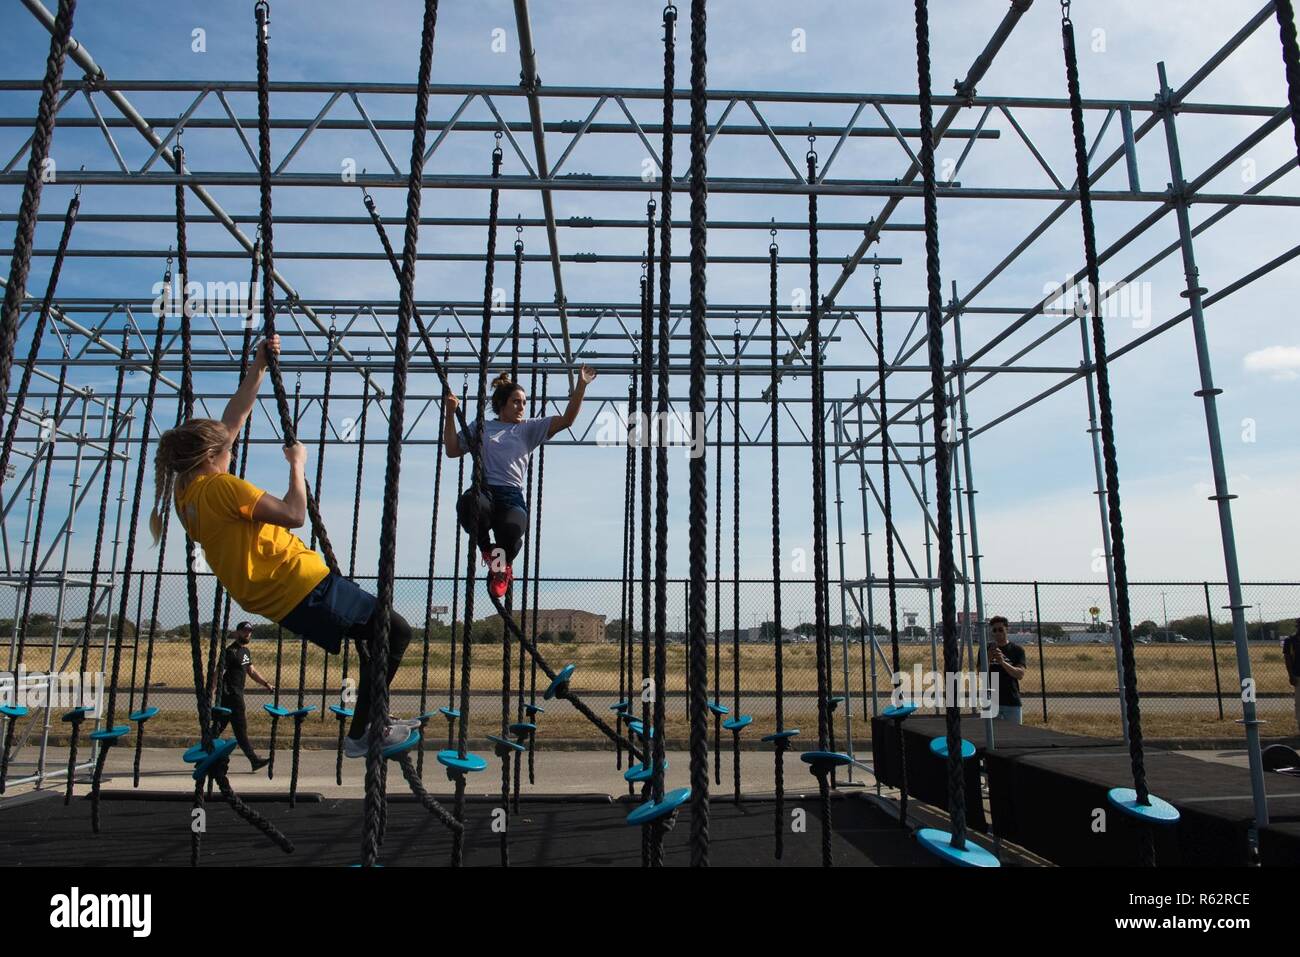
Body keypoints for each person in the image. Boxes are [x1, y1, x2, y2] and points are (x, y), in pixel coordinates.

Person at [150, 335, 416, 757]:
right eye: (226, 447)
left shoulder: (186, 499)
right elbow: (294, 514)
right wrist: (297, 465)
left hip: (281, 597)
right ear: (210, 456)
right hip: (301, 584)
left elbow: (230, 421)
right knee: (396, 631)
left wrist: (257, 368)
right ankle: (364, 735)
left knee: (372, 644)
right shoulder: (221, 488)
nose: (232, 446)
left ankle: (371, 721)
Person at [445, 365, 595, 599]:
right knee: (469, 506)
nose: (521, 407)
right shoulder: (482, 426)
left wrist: (581, 385)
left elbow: (567, 420)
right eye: (516, 402)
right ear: (502, 404)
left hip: (511, 494)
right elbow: (453, 450)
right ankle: (489, 551)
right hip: (484, 491)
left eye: (524, 402)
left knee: (514, 529)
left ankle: (501, 566)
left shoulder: (528, 428)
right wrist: (450, 414)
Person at [211, 621, 272, 771]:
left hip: (234, 695)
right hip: (231, 695)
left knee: (217, 728)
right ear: (237, 632)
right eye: (245, 631)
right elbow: (218, 672)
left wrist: (266, 684)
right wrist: (211, 690)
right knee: (240, 729)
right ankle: (254, 760)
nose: (248, 634)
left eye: (250, 631)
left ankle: (204, 753)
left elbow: (251, 671)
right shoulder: (230, 652)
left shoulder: (245, 651)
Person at [987, 615, 1027, 724]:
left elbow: (1020, 674)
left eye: (1000, 629)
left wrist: (1003, 662)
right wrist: (989, 658)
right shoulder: (986, 649)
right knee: (992, 736)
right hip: (992, 701)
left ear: (1007, 629)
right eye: (994, 630)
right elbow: (980, 673)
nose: (997, 633)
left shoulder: (1017, 650)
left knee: (1015, 735)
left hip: (1011, 700)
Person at [1285, 620, 1299, 735]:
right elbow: (1288, 658)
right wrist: (1291, 675)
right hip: (1298, 675)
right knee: (1299, 704)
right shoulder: (1290, 641)